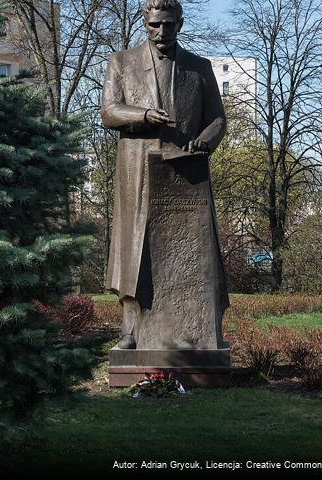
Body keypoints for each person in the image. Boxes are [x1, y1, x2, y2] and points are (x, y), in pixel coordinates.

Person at [101, 0, 228, 350]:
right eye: (155, 25)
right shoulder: (122, 63)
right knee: (134, 251)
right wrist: (142, 116)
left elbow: (218, 118)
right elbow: (109, 112)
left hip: (185, 170)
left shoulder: (199, 68)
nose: (161, 32)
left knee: (190, 251)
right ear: (146, 22)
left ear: (180, 23)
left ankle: (196, 329)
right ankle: (132, 330)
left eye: (169, 25)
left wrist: (207, 139)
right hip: (138, 169)